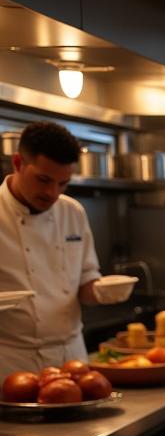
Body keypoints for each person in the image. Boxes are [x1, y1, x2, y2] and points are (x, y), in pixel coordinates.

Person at [0, 120, 101, 378]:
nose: (52, 193)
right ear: (18, 163)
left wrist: (102, 291)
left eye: (63, 183)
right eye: (43, 180)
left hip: (72, 359)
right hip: (12, 363)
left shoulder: (73, 212)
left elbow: (87, 284)